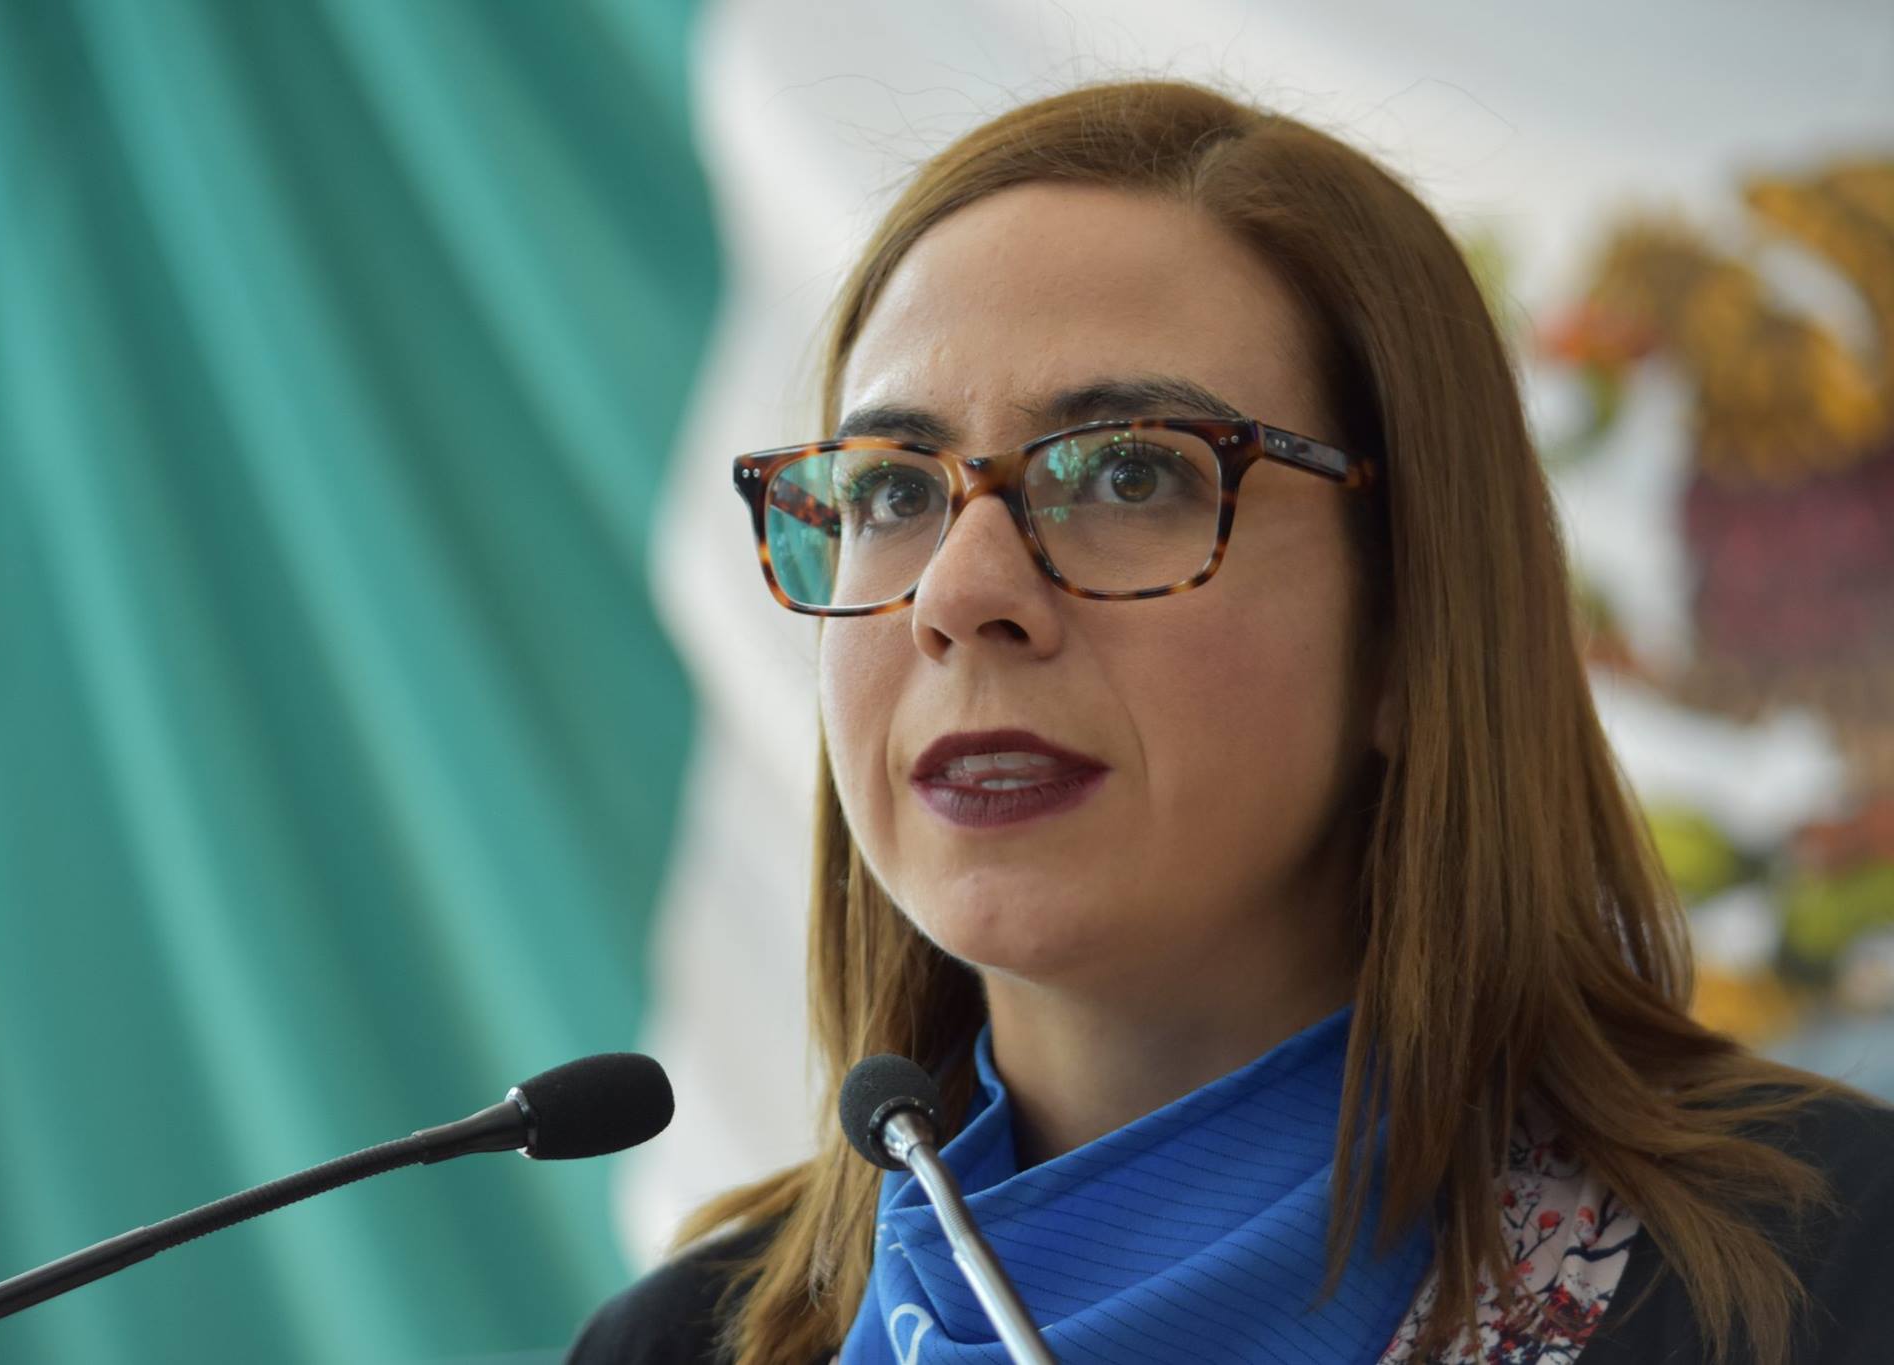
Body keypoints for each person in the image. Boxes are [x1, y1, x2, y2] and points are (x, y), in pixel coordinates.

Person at [567, 78, 1894, 1364]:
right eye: (892, 494)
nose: (960, 596)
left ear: (1411, 625)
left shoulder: (1827, 1278)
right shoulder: (680, 1347)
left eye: (1129, 473)